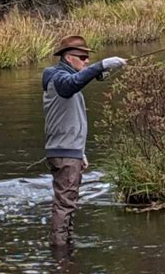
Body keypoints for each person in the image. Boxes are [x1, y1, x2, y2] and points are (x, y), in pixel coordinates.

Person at [43, 35, 126, 246]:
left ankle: (65, 246)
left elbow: (76, 89)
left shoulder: (63, 78)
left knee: (67, 203)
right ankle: (60, 251)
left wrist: (80, 152)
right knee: (65, 204)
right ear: (69, 57)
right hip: (65, 153)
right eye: (83, 57)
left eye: (89, 57)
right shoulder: (58, 78)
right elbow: (72, 83)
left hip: (70, 151)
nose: (87, 60)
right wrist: (102, 65)